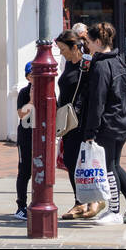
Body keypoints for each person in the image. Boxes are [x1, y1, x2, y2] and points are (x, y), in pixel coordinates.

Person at [77, 21, 126, 225]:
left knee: (108, 168)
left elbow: (98, 100)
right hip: (121, 119)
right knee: (114, 164)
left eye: (89, 42)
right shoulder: (118, 60)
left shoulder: (101, 65)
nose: (87, 46)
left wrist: (90, 130)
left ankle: (114, 211)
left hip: (107, 122)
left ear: (97, 41)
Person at [55, 30, 90, 220]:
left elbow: (90, 93)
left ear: (75, 47)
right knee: (70, 161)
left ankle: (84, 202)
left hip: (80, 121)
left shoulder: (86, 64)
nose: (61, 53)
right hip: (68, 121)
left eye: (62, 49)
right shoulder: (69, 63)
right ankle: (83, 200)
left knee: (78, 161)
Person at [12, 61, 34, 221]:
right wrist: (32, 100)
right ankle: (21, 206)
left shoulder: (48, 91)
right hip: (26, 137)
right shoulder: (24, 92)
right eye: (33, 75)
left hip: (42, 137)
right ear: (28, 77)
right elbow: (21, 114)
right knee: (24, 171)